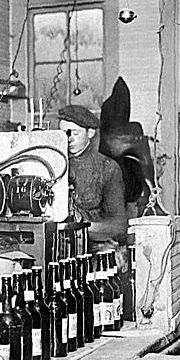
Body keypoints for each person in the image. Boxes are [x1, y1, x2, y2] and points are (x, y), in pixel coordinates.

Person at [59, 105, 127, 251]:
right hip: (58, 247)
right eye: (64, 133)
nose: (69, 139)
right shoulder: (54, 164)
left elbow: (119, 224)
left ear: (90, 133)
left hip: (94, 249)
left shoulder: (107, 167)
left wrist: (82, 227)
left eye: (75, 133)